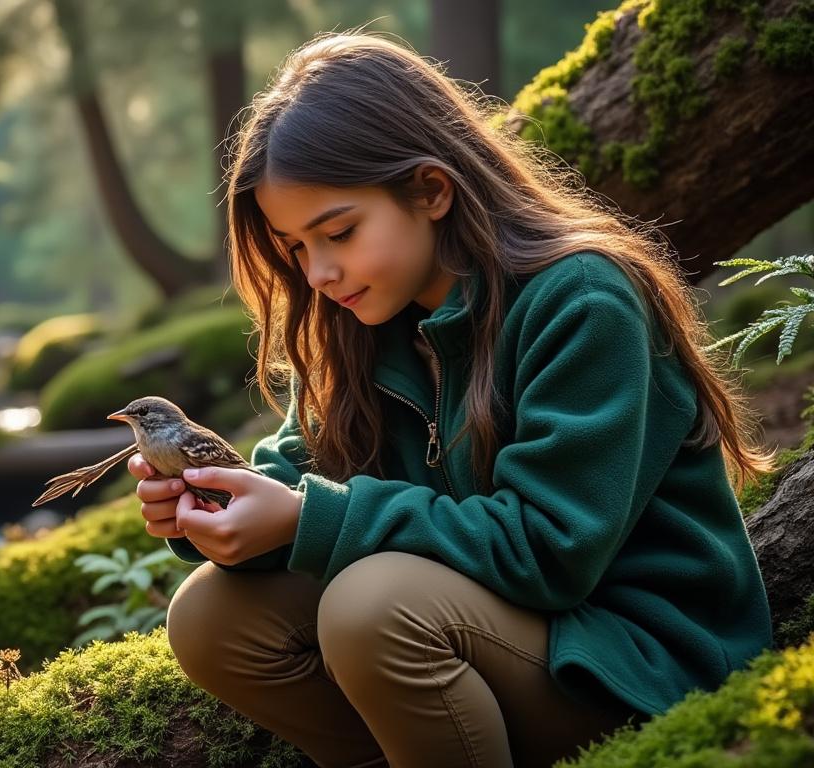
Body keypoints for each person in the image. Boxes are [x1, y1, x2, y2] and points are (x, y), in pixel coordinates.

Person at [127, 30, 775, 768]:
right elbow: (293, 476)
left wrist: (308, 518)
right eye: (295, 248)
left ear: (432, 190)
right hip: (479, 636)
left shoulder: (584, 301)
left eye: (337, 232)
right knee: (210, 619)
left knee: (371, 607)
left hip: (630, 659)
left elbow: (549, 552)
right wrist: (214, 509)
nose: (318, 273)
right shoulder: (362, 323)